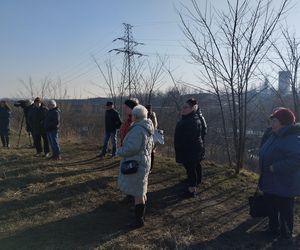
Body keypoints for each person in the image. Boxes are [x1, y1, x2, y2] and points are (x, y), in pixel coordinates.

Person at [259, 108, 300, 240]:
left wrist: (275, 167)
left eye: (275, 120)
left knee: (285, 211)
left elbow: (296, 159)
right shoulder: (274, 134)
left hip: (285, 183)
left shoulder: (292, 138)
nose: (272, 122)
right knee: (271, 208)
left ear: (283, 123)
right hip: (271, 181)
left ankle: (286, 236)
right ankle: (273, 229)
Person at [117, 105, 154, 228]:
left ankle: (138, 220)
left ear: (136, 117)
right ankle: (140, 213)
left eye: (132, 115)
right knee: (141, 189)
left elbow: (132, 148)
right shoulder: (146, 126)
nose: (130, 116)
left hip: (138, 163)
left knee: (139, 192)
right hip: (144, 161)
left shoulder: (138, 130)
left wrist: (119, 151)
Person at [174, 98, 206, 198]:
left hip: (190, 150)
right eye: (183, 107)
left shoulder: (192, 120)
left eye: (186, 107)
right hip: (192, 149)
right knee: (192, 167)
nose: (183, 109)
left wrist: (180, 147)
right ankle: (194, 182)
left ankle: (191, 190)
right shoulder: (189, 118)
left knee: (191, 169)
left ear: (193, 108)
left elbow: (189, 138)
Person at [146, 104, 158, 171]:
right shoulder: (150, 115)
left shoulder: (152, 116)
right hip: (148, 135)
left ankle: (150, 168)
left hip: (152, 135)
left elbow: (154, 126)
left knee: (151, 152)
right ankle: (148, 166)